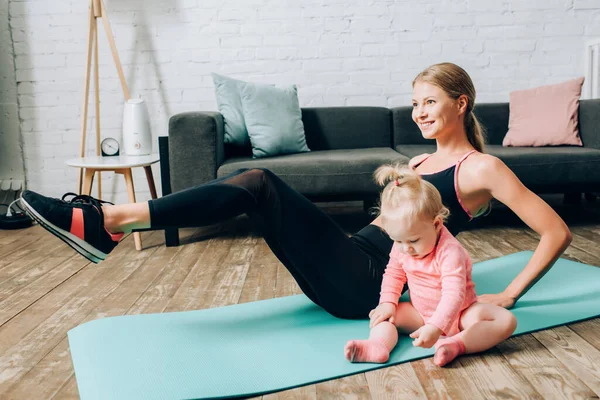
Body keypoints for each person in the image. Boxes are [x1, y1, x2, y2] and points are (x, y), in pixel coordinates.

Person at [19, 62, 571, 319]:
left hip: (371, 286)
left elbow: (555, 231)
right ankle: (112, 224)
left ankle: (113, 222)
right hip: (352, 260)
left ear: (461, 104)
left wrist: (509, 294)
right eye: (416, 101)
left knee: (259, 182)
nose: (420, 111)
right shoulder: (421, 158)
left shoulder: (481, 169)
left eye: (430, 101)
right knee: (252, 186)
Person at [344, 165, 517, 367]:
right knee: (387, 315)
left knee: (506, 321)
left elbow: (454, 295)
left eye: (414, 240)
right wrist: (387, 303)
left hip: (461, 315)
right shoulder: (401, 246)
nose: (405, 248)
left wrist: (436, 327)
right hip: (420, 313)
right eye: (398, 241)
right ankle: (378, 345)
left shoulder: (450, 252)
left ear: (436, 224)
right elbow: (393, 274)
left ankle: (457, 344)